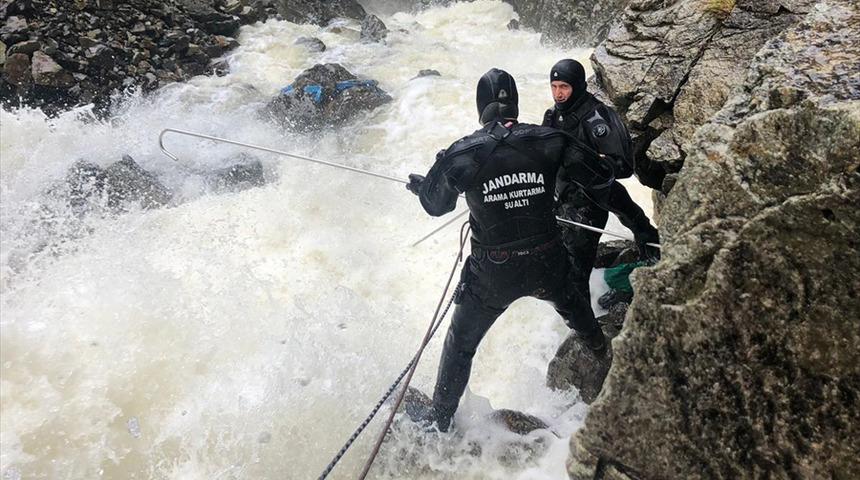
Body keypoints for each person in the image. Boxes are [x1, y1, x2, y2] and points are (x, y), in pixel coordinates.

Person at [406, 68, 609, 432]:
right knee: (577, 312)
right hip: (549, 261)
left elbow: (436, 206)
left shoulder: (462, 153)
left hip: (492, 272)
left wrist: (427, 184)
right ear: (514, 102)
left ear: (481, 106)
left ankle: (439, 422)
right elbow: (601, 174)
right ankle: (604, 358)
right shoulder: (549, 139)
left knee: (460, 345)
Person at [543, 59, 659, 307]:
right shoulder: (552, 117)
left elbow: (624, 166)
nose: (558, 93)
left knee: (578, 267)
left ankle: (585, 322)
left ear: (577, 86)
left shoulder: (597, 118)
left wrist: (588, 164)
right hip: (562, 197)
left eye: (564, 86)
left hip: (592, 200)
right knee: (555, 258)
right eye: (554, 86)